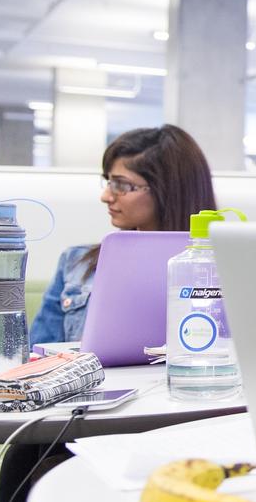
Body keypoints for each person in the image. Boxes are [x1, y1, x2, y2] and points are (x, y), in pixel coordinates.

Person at [30, 124, 216, 344]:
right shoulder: (76, 264)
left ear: (166, 189)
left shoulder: (216, 270)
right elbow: (37, 356)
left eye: (121, 185)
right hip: (95, 379)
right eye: (109, 182)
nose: (106, 195)